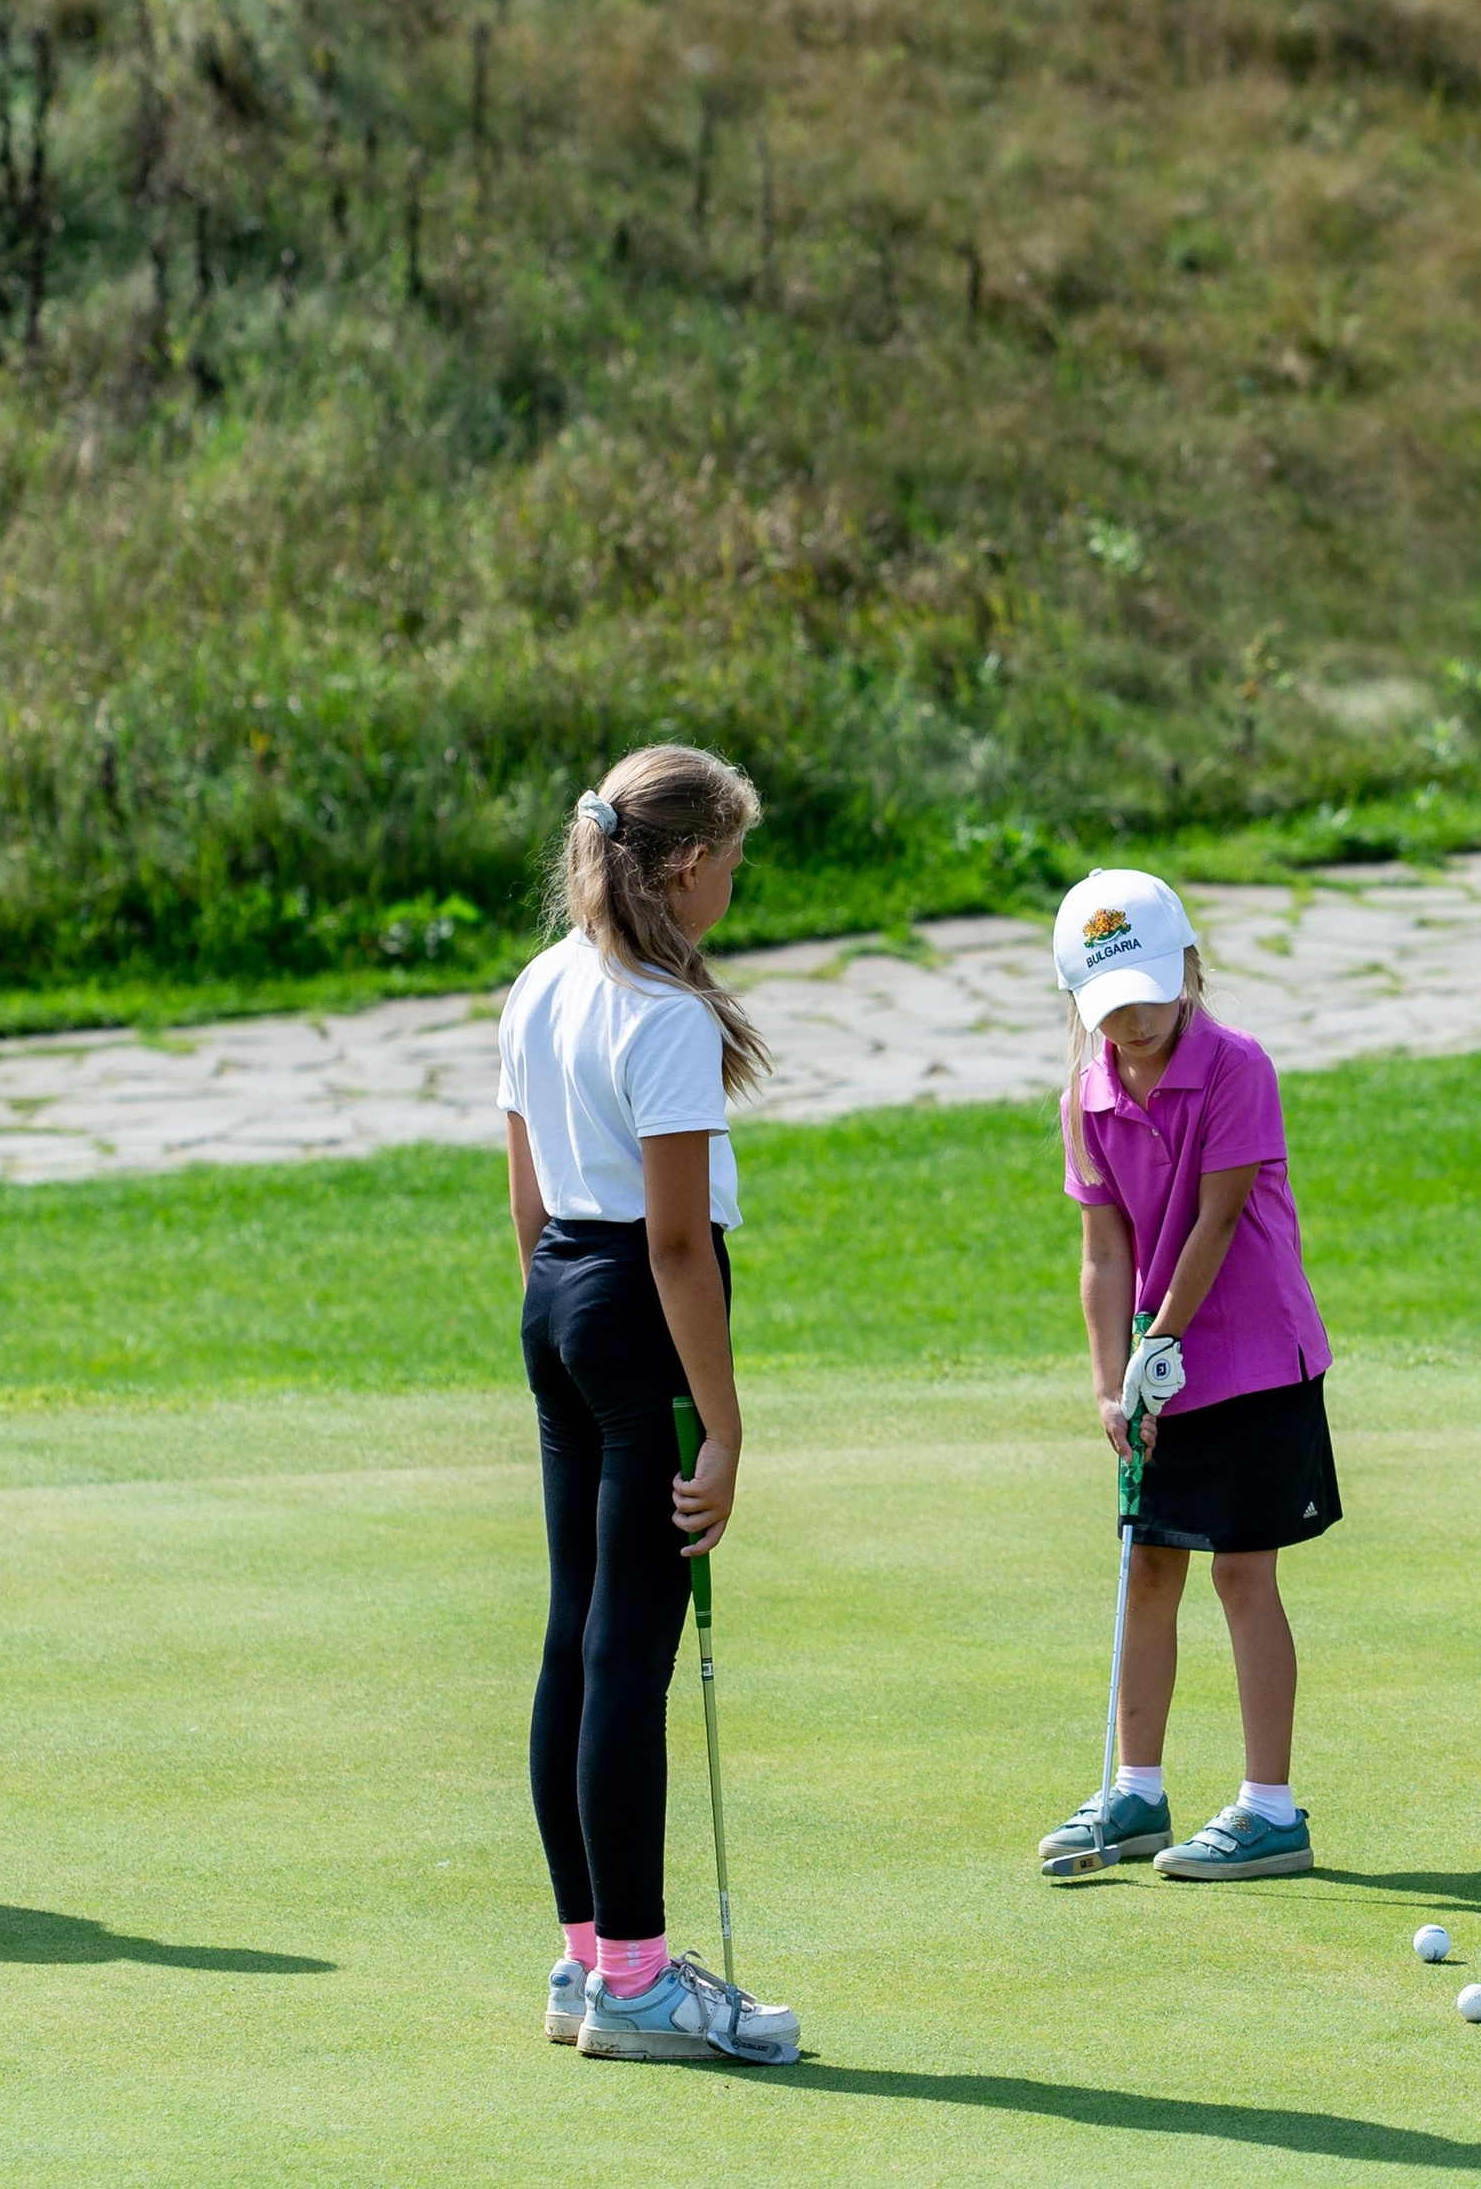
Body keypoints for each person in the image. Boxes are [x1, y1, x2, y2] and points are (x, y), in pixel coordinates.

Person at [498, 745, 798, 2063]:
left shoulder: (545, 978)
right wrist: (720, 1426)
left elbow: (527, 1196)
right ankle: (635, 1983)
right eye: (732, 859)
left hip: (560, 1299)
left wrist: (567, 1336)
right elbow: (679, 1248)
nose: (737, 879)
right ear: (687, 867)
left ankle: (586, 1964)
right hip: (638, 1311)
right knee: (631, 1654)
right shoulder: (665, 1016)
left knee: (579, 1635)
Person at [1036, 868, 1341, 1881]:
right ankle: (1136, 1790)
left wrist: (1157, 1341)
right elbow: (1103, 1249)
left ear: (1191, 972)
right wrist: (1106, 1376)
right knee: (1146, 1568)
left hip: (1253, 1359)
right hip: (1157, 1369)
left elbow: (1215, 1220)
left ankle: (1270, 1807)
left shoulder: (1236, 1067)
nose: (1129, 1021)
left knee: (1241, 1571)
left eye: (1146, 996)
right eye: (1107, 1005)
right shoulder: (1087, 1094)